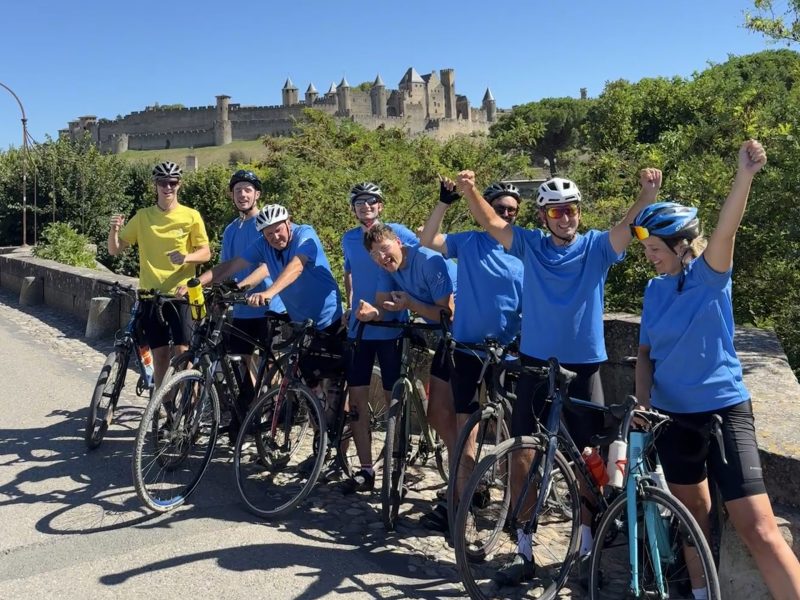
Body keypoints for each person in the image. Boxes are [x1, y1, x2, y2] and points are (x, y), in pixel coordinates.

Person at [457, 167, 661, 585]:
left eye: (570, 210)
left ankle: (588, 544)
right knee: (523, 453)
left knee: (588, 458)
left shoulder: (596, 248)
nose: (564, 218)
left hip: (584, 367)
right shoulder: (530, 246)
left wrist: (645, 195)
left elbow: (626, 227)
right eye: (555, 212)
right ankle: (524, 547)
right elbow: (492, 222)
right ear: (543, 217)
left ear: (579, 213)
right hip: (535, 364)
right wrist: (470, 190)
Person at [634, 140, 800, 600]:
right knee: (693, 519)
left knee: (759, 527)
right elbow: (646, 353)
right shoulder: (655, 291)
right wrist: (643, 404)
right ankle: (703, 594)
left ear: (682, 244)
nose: (650, 256)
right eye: (647, 249)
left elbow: (727, 229)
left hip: (724, 410)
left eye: (657, 248)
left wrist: (743, 176)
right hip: (671, 417)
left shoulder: (710, 275)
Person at [418, 177, 523, 531]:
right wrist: (444, 202)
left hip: (508, 351)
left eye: (512, 210)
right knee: (467, 429)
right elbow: (427, 241)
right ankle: (460, 507)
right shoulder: (471, 241)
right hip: (467, 349)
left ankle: (515, 507)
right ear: (486, 208)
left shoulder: (522, 247)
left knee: (514, 434)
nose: (506, 214)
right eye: (500, 208)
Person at [355, 223, 458, 526]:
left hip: (464, 332)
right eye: (375, 255)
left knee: (453, 417)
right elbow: (383, 304)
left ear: (397, 242)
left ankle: (464, 484)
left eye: (384, 249)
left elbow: (446, 313)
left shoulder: (428, 260)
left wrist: (410, 304)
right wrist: (373, 314)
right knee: (438, 416)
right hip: (437, 335)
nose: (382, 258)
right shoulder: (387, 266)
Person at [340, 182, 417, 495]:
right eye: (360, 202)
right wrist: (349, 303)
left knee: (392, 401)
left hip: (391, 328)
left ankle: (395, 469)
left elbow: (416, 258)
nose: (366, 207)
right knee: (357, 401)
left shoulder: (397, 232)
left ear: (381, 206)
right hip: (359, 330)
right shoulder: (348, 239)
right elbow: (349, 271)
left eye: (372, 201)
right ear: (354, 208)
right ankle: (367, 469)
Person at [108, 160, 211, 388]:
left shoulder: (191, 216)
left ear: (179, 185)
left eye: (172, 183)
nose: (168, 187)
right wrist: (114, 230)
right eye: (163, 183)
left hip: (181, 296)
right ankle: (163, 406)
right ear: (155, 185)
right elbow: (115, 249)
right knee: (160, 356)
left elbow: (205, 253)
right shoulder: (143, 216)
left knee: (183, 353)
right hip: (151, 296)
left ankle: (189, 405)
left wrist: (186, 257)